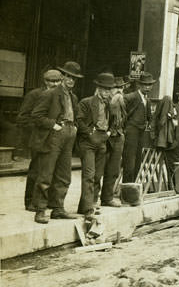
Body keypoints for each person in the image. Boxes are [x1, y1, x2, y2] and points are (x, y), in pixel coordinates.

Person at [29, 61, 82, 223]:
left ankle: (58, 209)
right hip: (54, 135)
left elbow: (77, 115)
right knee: (46, 174)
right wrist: (54, 125)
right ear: (62, 76)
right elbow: (36, 115)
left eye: (74, 78)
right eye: (68, 76)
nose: (71, 80)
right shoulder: (50, 94)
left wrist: (75, 128)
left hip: (68, 134)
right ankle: (40, 210)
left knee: (64, 174)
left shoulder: (73, 97)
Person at [18, 68, 62, 211]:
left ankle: (43, 200)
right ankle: (30, 201)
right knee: (36, 170)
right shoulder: (35, 95)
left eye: (57, 81)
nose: (54, 84)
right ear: (45, 81)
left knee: (49, 172)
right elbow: (23, 118)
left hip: (54, 138)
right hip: (38, 138)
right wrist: (39, 130)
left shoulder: (60, 96)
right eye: (51, 81)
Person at [75, 73, 116, 216]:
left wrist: (109, 133)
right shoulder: (86, 102)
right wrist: (89, 134)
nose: (107, 92)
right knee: (89, 175)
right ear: (98, 88)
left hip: (102, 140)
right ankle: (87, 209)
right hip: (88, 142)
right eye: (104, 89)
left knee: (98, 175)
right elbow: (79, 120)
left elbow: (113, 121)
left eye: (109, 89)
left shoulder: (110, 104)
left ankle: (91, 203)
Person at [123, 72, 155, 183]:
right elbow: (122, 104)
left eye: (149, 85)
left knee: (137, 162)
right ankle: (126, 188)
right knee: (129, 163)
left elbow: (149, 117)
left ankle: (132, 187)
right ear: (140, 85)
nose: (147, 87)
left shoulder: (147, 100)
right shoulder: (132, 96)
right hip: (131, 132)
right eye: (145, 85)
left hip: (141, 133)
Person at [99, 77, 126, 208]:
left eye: (121, 88)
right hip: (106, 137)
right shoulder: (104, 103)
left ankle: (107, 198)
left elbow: (124, 119)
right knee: (98, 169)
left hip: (118, 136)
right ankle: (92, 200)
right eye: (116, 88)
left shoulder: (121, 101)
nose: (119, 91)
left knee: (113, 169)